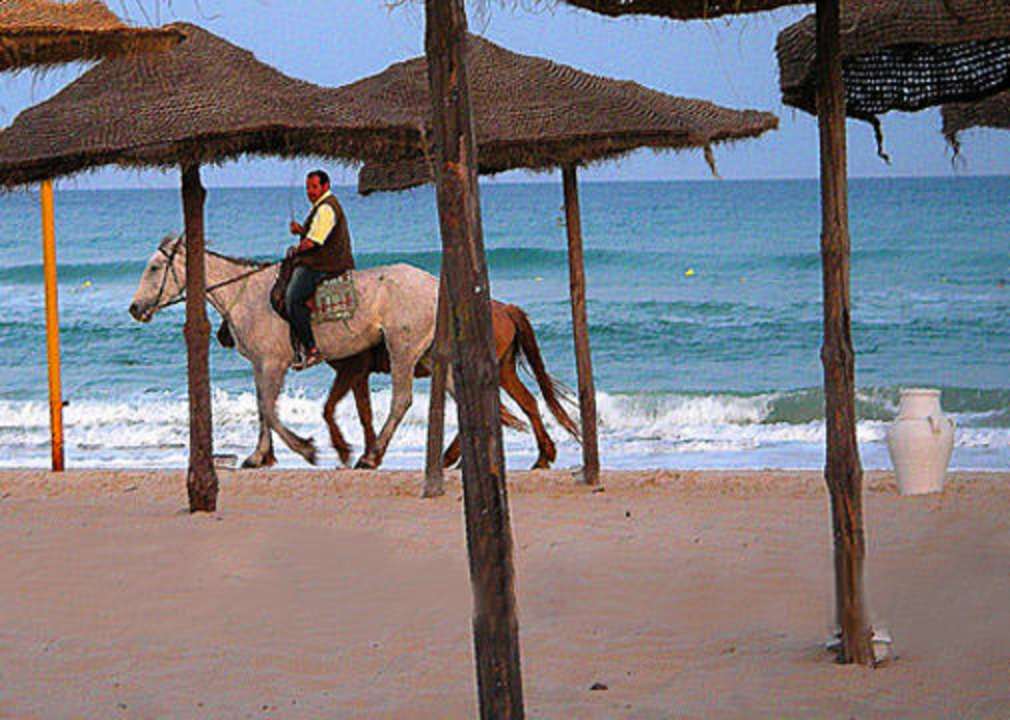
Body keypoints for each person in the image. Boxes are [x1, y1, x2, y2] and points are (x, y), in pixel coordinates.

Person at [284, 170, 355, 369]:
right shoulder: (323, 206)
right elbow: (316, 231)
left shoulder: (326, 208)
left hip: (326, 263)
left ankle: (311, 349)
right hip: (325, 259)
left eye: (314, 187)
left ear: (325, 186)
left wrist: (297, 248)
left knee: (293, 298)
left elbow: (314, 242)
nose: (310, 192)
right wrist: (301, 231)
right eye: (308, 187)